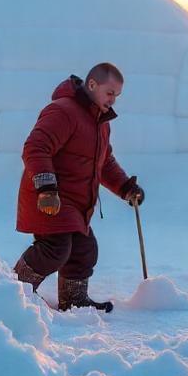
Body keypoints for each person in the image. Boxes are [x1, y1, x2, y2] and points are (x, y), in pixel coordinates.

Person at [12, 63, 145, 312]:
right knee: (55, 249)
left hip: (76, 203)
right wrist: (46, 188)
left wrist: (125, 187)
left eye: (117, 95)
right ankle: (12, 291)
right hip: (49, 197)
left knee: (84, 250)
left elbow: (104, 162)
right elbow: (36, 148)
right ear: (92, 85)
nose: (113, 100)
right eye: (109, 93)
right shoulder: (63, 112)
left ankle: (74, 301)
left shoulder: (100, 123)